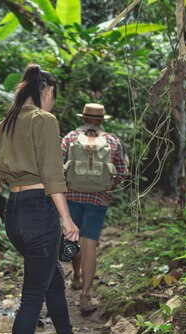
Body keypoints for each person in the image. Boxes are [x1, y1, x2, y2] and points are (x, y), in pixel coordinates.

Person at [0, 64, 92, 334]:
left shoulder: (3, 125)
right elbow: (52, 174)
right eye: (53, 97)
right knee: (32, 295)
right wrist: (68, 220)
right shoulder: (45, 121)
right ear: (47, 92)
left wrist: (5, 176)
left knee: (51, 281)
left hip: (14, 216)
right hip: (40, 213)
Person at [61, 103, 128, 315]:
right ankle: (86, 295)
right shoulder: (112, 141)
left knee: (74, 237)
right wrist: (109, 186)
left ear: (83, 119)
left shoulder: (69, 139)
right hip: (98, 200)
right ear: (101, 121)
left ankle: (76, 275)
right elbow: (122, 172)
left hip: (71, 197)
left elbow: (58, 166)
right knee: (89, 244)